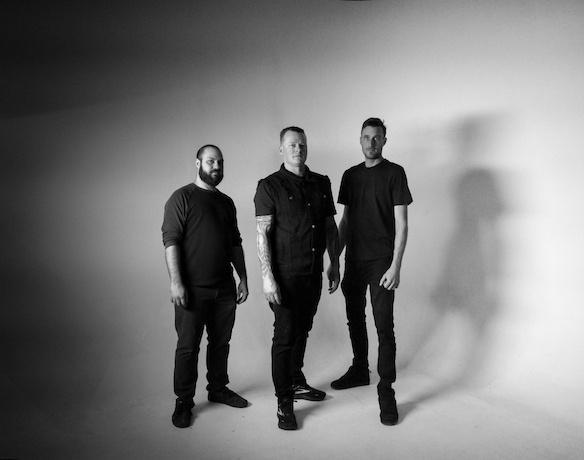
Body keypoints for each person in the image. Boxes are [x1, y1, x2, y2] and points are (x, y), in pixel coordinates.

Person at [254, 126, 340, 430]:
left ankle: (295, 379)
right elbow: (262, 233)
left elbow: (329, 226)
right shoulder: (269, 186)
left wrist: (335, 263)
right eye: (291, 144)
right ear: (281, 149)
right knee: (285, 335)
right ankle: (284, 401)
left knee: (303, 329)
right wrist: (267, 277)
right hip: (285, 276)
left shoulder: (321, 183)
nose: (297, 149)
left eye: (302, 144)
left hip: (313, 272)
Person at [331, 117, 412, 426]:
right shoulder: (350, 176)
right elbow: (346, 221)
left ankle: (386, 389)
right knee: (355, 318)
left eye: (377, 138)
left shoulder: (395, 173)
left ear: (384, 141)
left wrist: (395, 266)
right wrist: (334, 260)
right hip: (354, 259)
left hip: (381, 262)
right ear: (360, 140)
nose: (371, 142)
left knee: (383, 326)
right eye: (366, 137)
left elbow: (402, 224)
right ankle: (360, 370)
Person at [162, 144, 250, 429]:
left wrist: (243, 278)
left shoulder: (226, 203)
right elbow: (171, 241)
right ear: (197, 163)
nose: (217, 167)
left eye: (220, 162)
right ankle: (184, 401)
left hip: (224, 288)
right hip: (192, 289)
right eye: (211, 161)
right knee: (188, 347)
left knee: (220, 343)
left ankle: (218, 388)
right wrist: (176, 282)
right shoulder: (181, 197)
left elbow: (235, 243)